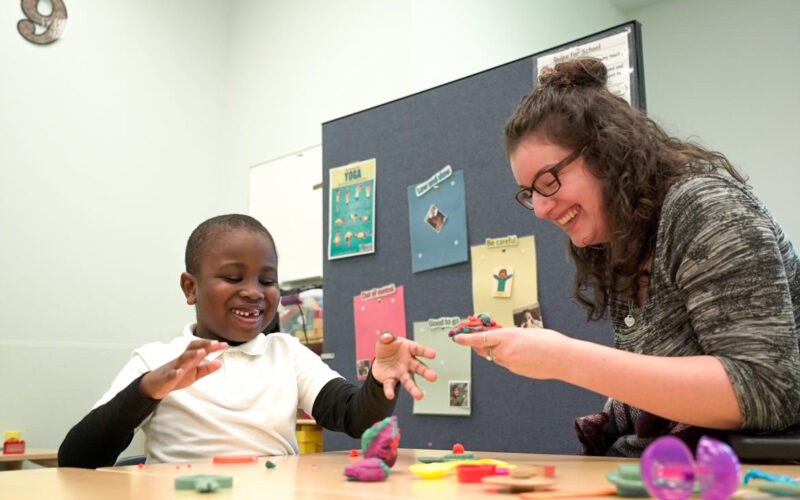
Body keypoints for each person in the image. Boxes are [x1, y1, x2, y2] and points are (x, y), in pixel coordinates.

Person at [454, 57, 800, 457]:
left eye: (548, 181)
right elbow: (669, 382)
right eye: (529, 194)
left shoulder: (705, 206)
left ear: (605, 152)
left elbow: (766, 388)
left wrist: (563, 358)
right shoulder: (621, 242)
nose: (542, 209)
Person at [58, 214, 437, 467]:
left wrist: (379, 379)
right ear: (191, 288)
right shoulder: (157, 361)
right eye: (234, 278)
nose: (254, 292)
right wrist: (147, 390)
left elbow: (353, 416)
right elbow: (76, 457)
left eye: (267, 280)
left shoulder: (285, 352)